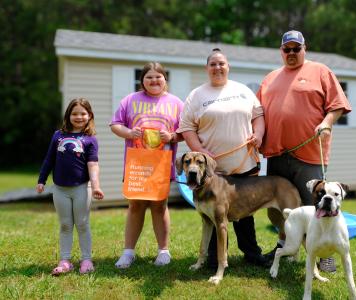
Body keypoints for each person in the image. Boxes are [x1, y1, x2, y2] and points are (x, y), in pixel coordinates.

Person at [256, 30, 352, 272]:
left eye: (295, 49)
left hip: (309, 154)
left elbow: (337, 105)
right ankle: (285, 245)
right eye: (286, 49)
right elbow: (257, 113)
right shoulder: (269, 78)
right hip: (276, 154)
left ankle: (325, 255)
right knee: (276, 208)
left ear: (304, 49)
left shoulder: (320, 71)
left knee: (319, 207)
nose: (291, 53)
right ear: (281, 51)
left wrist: (327, 123)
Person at [177, 48, 268, 268]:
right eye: (213, 64)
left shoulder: (243, 90)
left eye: (222, 64)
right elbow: (187, 128)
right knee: (213, 213)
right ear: (207, 68)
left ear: (228, 66)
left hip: (244, 164)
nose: (218, 67)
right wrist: (200, 152)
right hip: (211, 170)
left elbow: (258, 116)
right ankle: (215, 257)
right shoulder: (197, 95)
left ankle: (251, 253)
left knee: (244, 213)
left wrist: (258, 134)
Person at [110, 62, 183, 268]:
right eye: (149, 77)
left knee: (160, 206)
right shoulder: (130, 100)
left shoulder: (176, 103)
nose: (154, 80)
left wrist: (171, 136)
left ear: (165, 79)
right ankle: (128, 253)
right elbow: (115, 124)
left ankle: (163, 252)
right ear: (142, 80)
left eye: (158, 77)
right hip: (137, 164)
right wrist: (129, 133)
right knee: (135, 205)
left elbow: (186, 131)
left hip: (162, 163)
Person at [37, 98, 104, 275]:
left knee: (82, 223)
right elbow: (49, 159)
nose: (79, 116)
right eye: (75, 113)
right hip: (60, 189)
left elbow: (93, 165)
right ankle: (65, 261)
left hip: (82, 188)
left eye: (83, 113)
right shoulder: (58, 135)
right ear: (68, 115)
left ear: (89, 115)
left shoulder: (90, 140)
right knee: (65, 224)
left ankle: (86, 260)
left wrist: (96, 186)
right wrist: (42, 180)